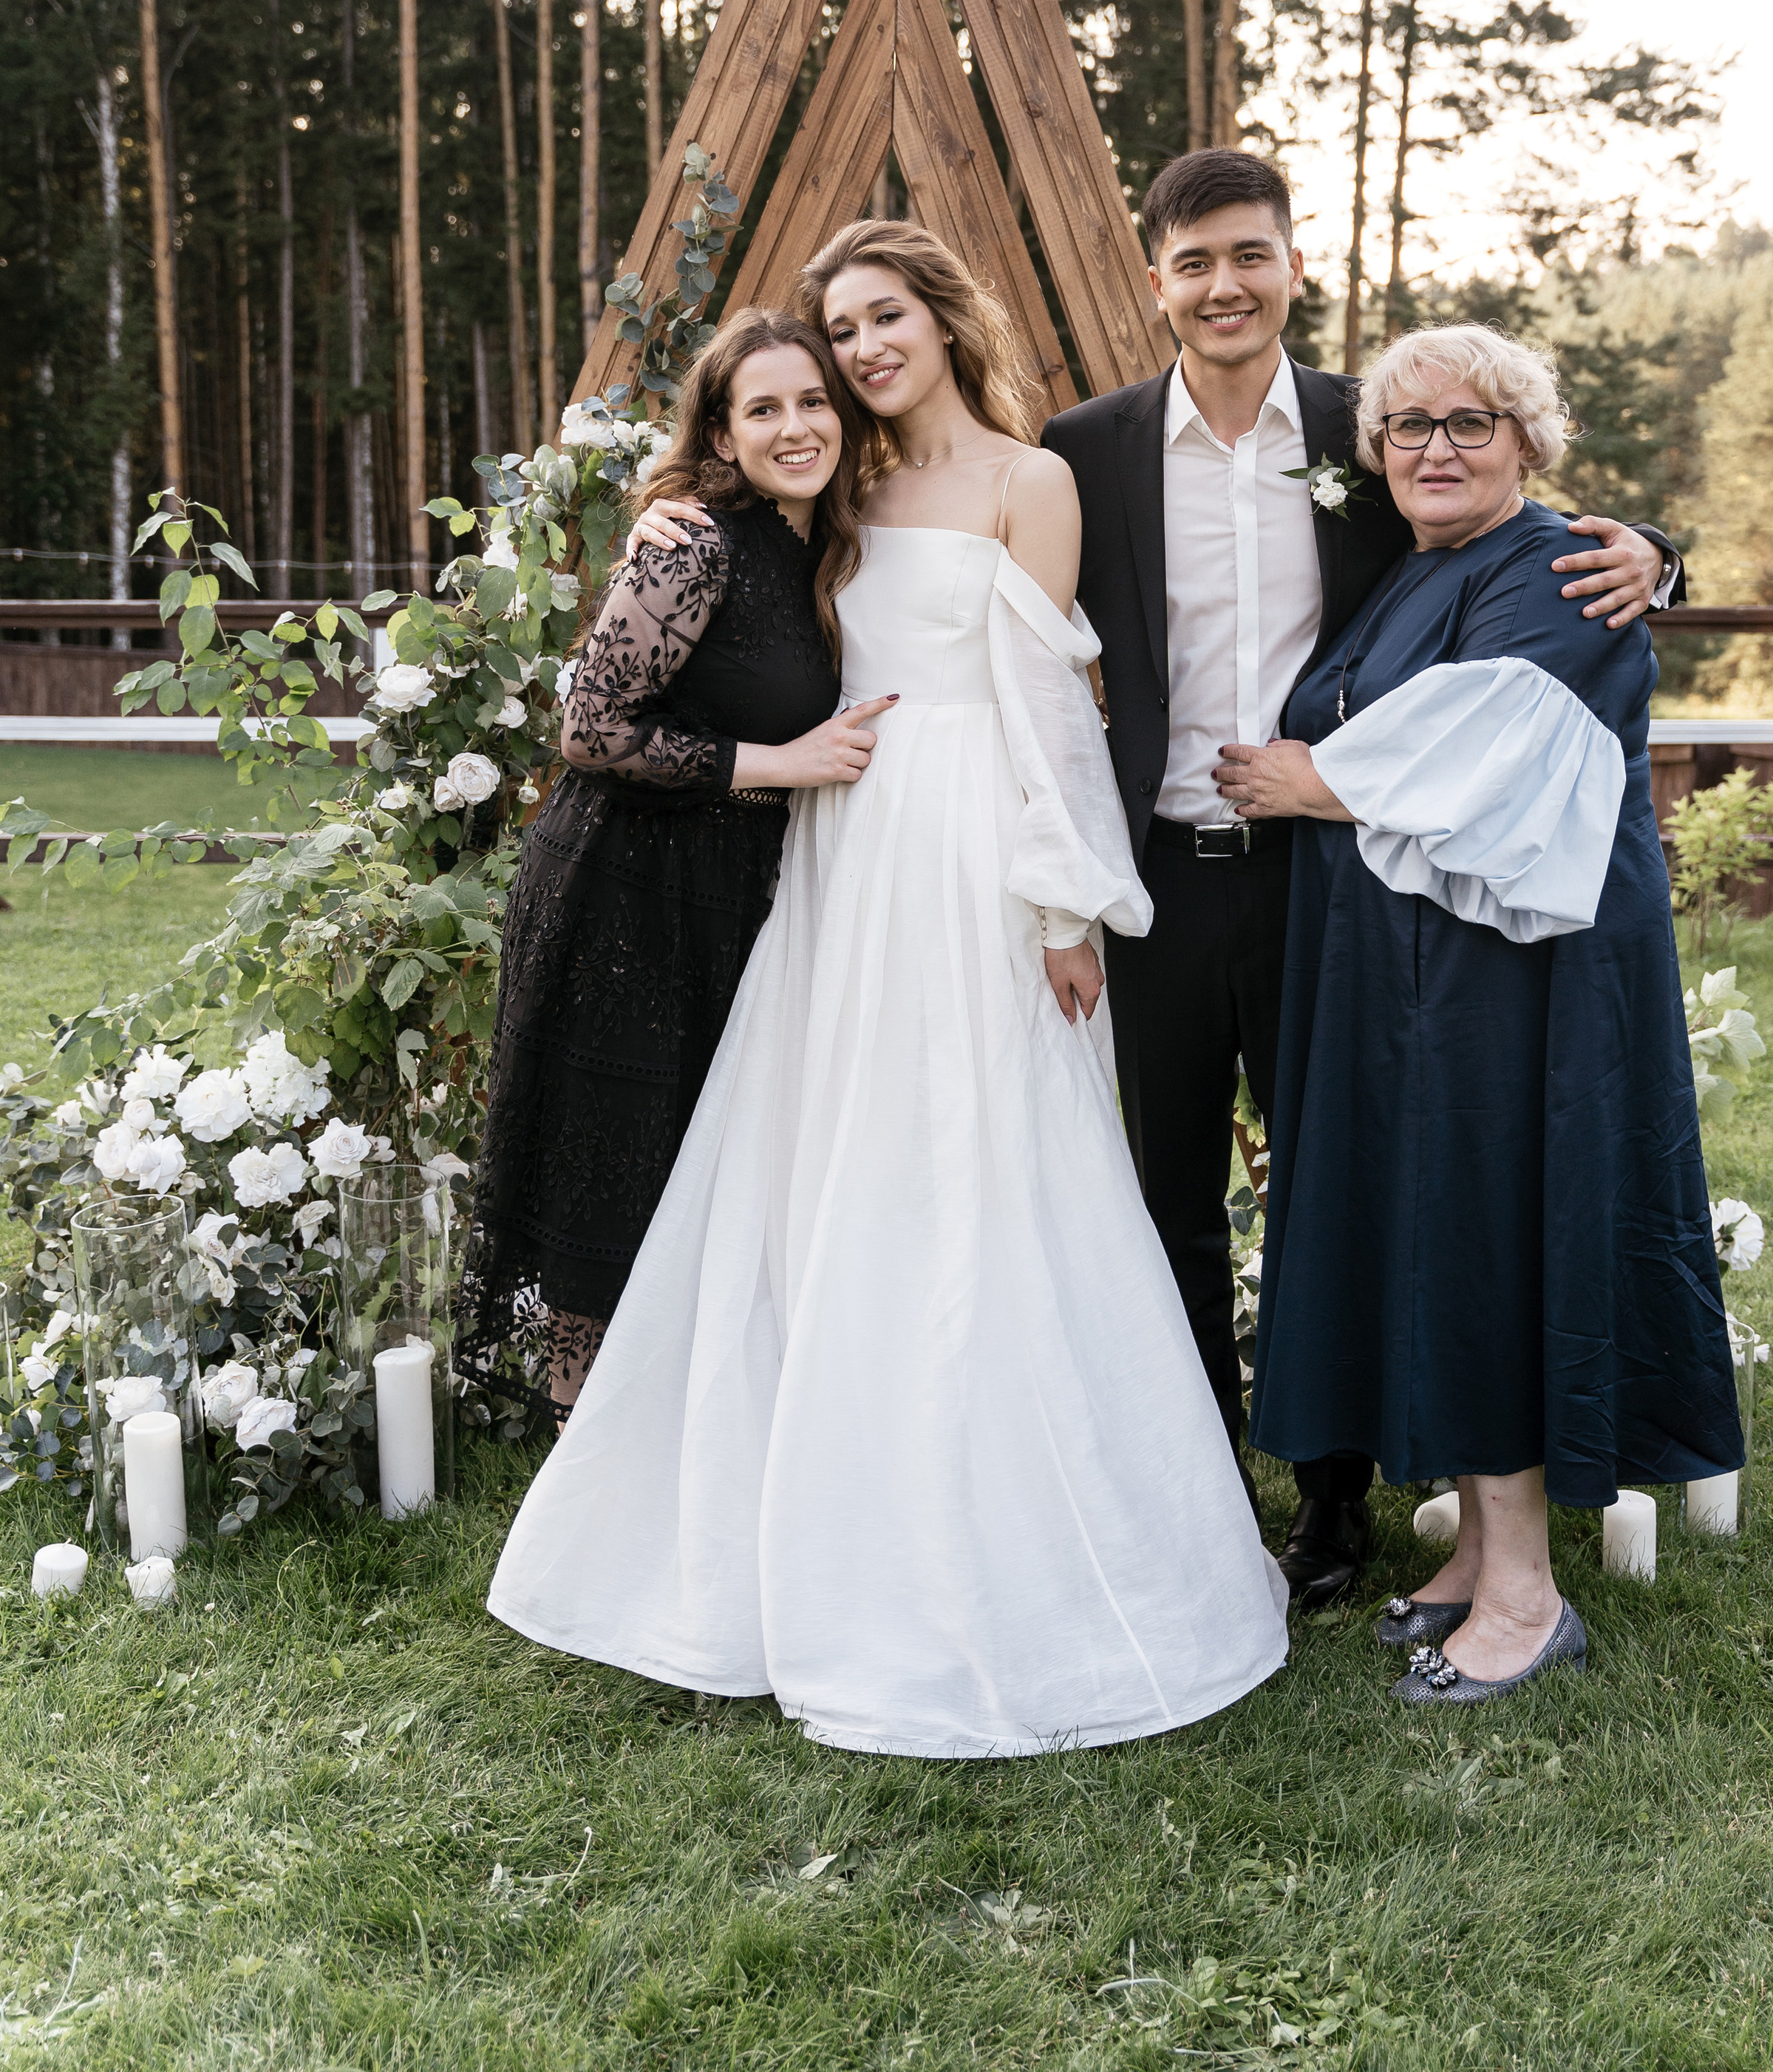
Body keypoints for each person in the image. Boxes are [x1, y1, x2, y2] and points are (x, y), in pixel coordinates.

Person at [488, 220, 1289, 1754]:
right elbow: (729, 585)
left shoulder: (1023, 478)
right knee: (821, 1161)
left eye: (881, 320)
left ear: (941, 315)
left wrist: (1062, 904)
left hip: (976, 850)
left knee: (983, 1156)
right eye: (839, 329)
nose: (859, 352)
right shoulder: (832, 485)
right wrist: (662, 522)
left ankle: (1002, 1528)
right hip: (840, 846)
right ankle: (791, 1527)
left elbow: (1050, 704)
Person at [1044, 149, 1683, 1609]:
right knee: (1167, 1198)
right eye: (1193, 261)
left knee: (1332, 1180)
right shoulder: (1081, 446)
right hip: (1156, 878)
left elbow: (1526, 529)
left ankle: (1331, 1511)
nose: (1223, 285)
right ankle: (1192, 1495)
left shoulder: (1370, 425)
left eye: (1248, 255)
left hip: (1335, 881)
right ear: (1157, 281)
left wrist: (1655, 553)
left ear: (1289, 265)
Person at [1231, 322, 1744, 1706]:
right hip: (1407, 975)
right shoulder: (1418, 572)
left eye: (1471, 424)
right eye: (1411, 429)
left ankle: (1525, 1596)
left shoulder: (1564, 565)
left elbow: (1490, 740)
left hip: (1516, 985)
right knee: (1431, 1222)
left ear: (1529, 443)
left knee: (1486, 1231)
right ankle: (1470, 1564)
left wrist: (1306, 783)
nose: (1438, 448)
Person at [455, 309, 891, 1424]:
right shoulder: (695, 542)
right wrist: (778, 761)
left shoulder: (822, 547)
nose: (795, 427)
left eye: (811, 402)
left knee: (687, 1146)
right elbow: (589, 728)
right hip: (623, 886)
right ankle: (575, 1430)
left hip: (723, 892)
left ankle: (658, 1416)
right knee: (612, 1147)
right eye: (764, 410)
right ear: (722, 430)